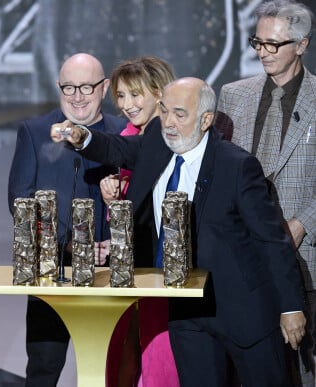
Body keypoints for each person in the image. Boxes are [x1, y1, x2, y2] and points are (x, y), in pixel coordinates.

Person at [51, 77, 306, 386]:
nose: (169, 123)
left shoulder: (237, 166)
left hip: (243, 310)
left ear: (206, 119)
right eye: (164, 111)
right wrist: (81, 137)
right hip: (186, 311)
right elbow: (114, 146)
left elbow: (271, 242)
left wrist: (291, 307)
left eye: (180, 114)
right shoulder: (157, 143)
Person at [7, 52, 126, 386]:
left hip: (112, 273)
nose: (77, 96)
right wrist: (70, 244)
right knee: (44, 367)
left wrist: (114, 245)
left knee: (114, 369)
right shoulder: (34, 131)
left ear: (103, 88)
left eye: (86, 87)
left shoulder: (124, 132)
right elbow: (21, 202)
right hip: (53, 271)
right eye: (68, 87)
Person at [215, 1, 315, 385]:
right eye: (258, 42)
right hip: (243, 262)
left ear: (302, 45)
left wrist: (302, 224)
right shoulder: (233, 95)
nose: (262, 52)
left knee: (304, 371)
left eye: (274, 44)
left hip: (304, 258)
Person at [99, 56, 178, 387]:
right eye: (120, 96)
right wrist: (109, 196)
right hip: (125, 269)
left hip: (164, 267)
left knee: (161, 360)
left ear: (160, 93)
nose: (127, 105)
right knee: (120, 362)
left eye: (135, 95)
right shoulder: (124, 135)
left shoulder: (176, 136)